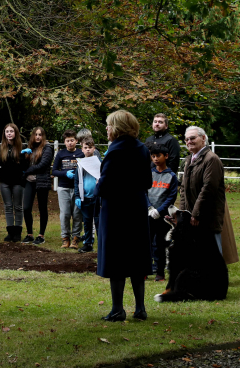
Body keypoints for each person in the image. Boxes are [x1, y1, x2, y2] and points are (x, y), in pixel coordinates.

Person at [96, 110, 152, 322]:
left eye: (109, 125)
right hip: (136, 207)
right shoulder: (142, 149)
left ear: (117, 127)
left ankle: (118, 309)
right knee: (137, 254)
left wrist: (99, 183)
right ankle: (140, 308)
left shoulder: (114, 151)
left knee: (116, 256)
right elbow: (147, 182)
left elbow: (106, 184)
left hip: (116, 209)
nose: (107, 129)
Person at [178, 126, 226, 255]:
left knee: (212, 255)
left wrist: (196, 213)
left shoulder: (211, 159)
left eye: (192, 138)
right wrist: (183, 212)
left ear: (203, 138)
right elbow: (183, 189)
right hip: (191, 215)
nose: (189, 141)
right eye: (186, 139)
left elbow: (208, 189)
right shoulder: (189, 160)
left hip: (207, 215)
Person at [147, 144, 178, 282]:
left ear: (166, 156)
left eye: (158, 156)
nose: (155, 159)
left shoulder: (171, 176)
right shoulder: (149, 173)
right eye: (153, 156)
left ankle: (160, 272)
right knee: (145, 243)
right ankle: (144, 270)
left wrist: (159, 211)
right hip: (148, 214)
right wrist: (149, 208)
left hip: (162, 217)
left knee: (160, 244)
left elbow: (171, 197)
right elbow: (144, 192)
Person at [52, 129, 85, 249]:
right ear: (64, 142)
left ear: (76, 141)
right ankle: (65, 238)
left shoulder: (82, 153)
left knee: (77, 214)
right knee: (65, 214)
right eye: (67, 141)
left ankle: (75, 238)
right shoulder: (60, 154)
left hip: (78, 188)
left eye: (72, 140)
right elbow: (54, 171)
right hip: (63, 187)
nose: (70, 143)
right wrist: (65, 173)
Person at [21, 127, 54, 245]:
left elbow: (43, 164)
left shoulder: (47, 148)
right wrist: (23, 155)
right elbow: (23, 165)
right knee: (26, 207)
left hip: (41, 180)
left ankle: (41, 235)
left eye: (40, 134)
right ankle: (29, 234)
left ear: (43, 136)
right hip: (29, 181)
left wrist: (29, 170)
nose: (38, 137)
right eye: (36, 134)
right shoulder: (29, 148)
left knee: (42, 208)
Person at [0, 123, 27, 242]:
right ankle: (10, 231)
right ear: (4, 133)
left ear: (16, 133)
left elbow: (25, 165)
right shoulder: (1, 148)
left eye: (11, 131)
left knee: (18, 206)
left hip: (18, 182)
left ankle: (18, 231)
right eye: (7, 131)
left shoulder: (22, 147)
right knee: (8, 206)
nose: (9, 133)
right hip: (5, 182)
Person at [73, 136, 100, 254]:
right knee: (87, 222)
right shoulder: (79, 164)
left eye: (90, 147)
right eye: (85, 148)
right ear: (82, 149)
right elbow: (76, 181)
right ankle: (88, 243)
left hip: (97, 198)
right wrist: (78, 196)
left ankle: (102, 245)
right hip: (85, 197)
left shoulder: (99, 162)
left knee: (98, 222)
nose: (88, 150)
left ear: (94, 148)